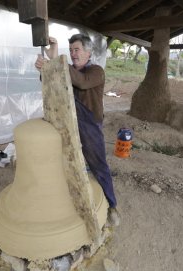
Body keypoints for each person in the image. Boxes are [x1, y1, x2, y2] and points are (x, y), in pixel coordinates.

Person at [35, 34, 120, 226]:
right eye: (71, 50)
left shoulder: (97, 71)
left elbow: (81, 82)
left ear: (88, 52)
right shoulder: (69, 69)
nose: (73, 54)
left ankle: (112, 206)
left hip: (90, 123)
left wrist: (55, 61)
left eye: (77, 50)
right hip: (68, 122)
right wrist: (44, 68)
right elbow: (51, 83)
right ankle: (72, 200)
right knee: (67, 160)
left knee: (98, 164)